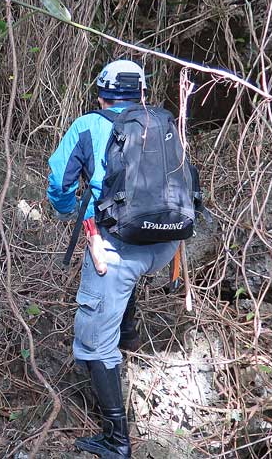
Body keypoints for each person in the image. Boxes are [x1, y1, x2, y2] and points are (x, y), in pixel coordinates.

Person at [46, 59, 180, 459]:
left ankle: (116, 440)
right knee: (123, 283)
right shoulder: (163, 123)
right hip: (167, 244)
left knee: (91, 342)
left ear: (101, 93)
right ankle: (130, 331)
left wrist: (71, 210)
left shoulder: (88, 126)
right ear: (142, 93)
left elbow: (59, 183)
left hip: (117, 250)